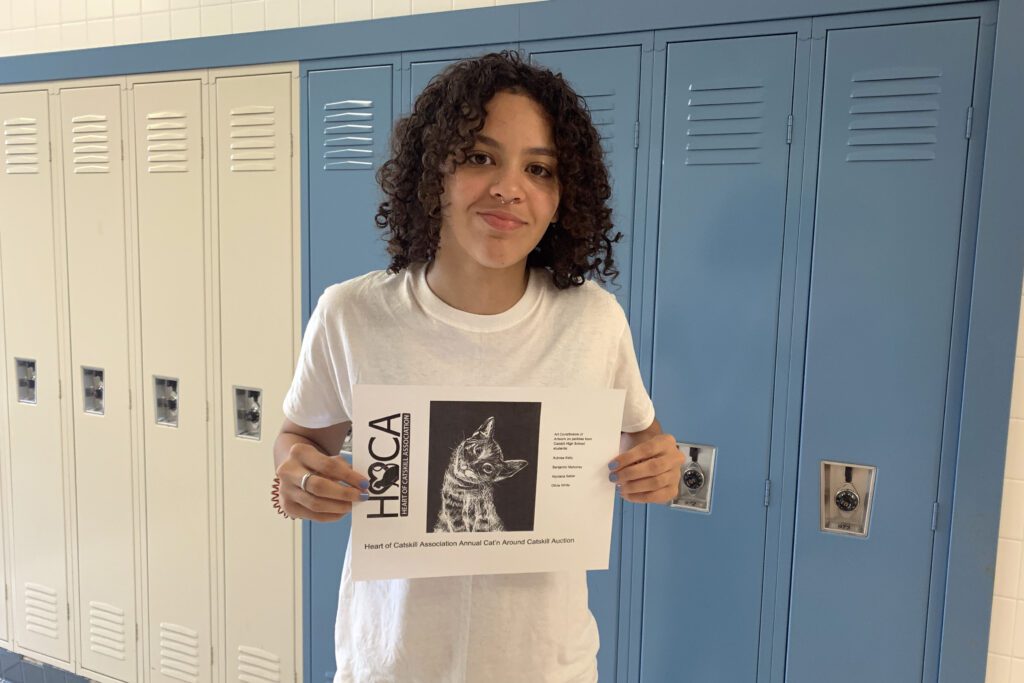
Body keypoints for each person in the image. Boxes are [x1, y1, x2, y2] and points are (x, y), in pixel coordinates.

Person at [273, 50, 684, 683]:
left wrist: (660, 467)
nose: (509, 188)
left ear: (560, 197)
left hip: (547, 667)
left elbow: (647, 441)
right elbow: (298, 442)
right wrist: (294, 481)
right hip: (393, 665)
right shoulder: (350, 314)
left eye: (539, 168)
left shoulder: (593, 319)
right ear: (432, 171)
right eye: (480, 157)